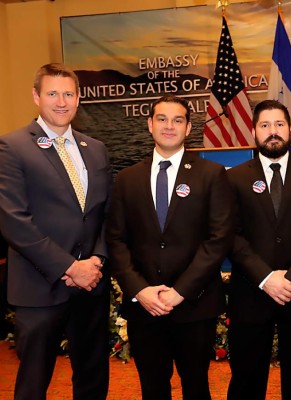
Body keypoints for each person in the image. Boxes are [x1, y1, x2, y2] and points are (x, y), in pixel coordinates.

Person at [106, 95, 233, 400]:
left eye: (177, 120)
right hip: (145, 305)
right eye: (161, 119)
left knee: (196, 387)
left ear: (188, 127)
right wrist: (139, 290)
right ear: (150, 124)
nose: (169, 126)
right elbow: (116, 240)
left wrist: (180, 292)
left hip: (194, 303)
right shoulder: (126, 179)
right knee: (152, 387)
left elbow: (218, 240)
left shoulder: (211, 175)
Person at [0, 63, 112, 400]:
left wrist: (96, 260)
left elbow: (106, 214)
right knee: (33, 383)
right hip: (39, 286)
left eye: (68, 94)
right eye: (52, 93)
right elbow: (12, 220)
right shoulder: (12, 146)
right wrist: (69, 267)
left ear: (78, 99)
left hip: (91, 284)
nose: (61, 101)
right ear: (36, 96)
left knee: (92, 379)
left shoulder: (96, 148)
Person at [226, 99, 291, 400]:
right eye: (264, 125)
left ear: (289, 130)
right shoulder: (233, 178)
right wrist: (265, 277)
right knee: (246, 379)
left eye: (279, 124)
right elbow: (229, 235)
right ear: (254, 133)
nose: (272, 131)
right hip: (251, 292)